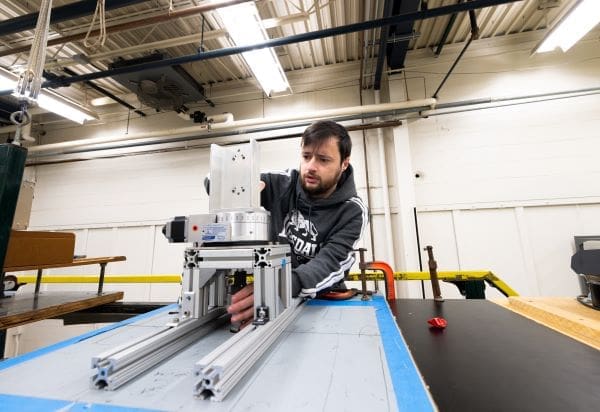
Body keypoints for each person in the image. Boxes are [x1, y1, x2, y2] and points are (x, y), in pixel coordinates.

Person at [228, 120, 368, 325]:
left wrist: (281, 286)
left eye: (323, 159)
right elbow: (214, 181)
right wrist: (233, 186)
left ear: (344, 163)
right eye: (306, 156)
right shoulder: (283, 184)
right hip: (272, 294)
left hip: (323, 301)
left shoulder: (353, 211)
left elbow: (331, 262)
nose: (311, 166)